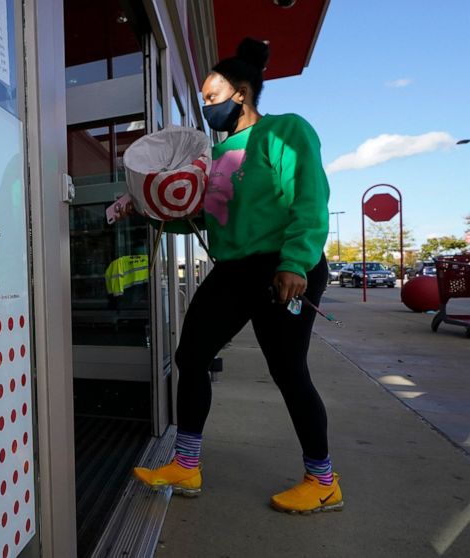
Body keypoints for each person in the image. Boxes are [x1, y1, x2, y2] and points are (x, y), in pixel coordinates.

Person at [131, 38, 343, 514]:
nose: (207, 107)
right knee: (191, 356)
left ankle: (323, 480)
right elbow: (205, 216)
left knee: (288, 371)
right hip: (234, 269)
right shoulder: (218, 155)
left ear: (241, 93)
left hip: (282, 266)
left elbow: (309, 198)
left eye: (212, 97)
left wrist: (295, 262)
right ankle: (186, 464)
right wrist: (147, 206)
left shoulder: (285, 131)